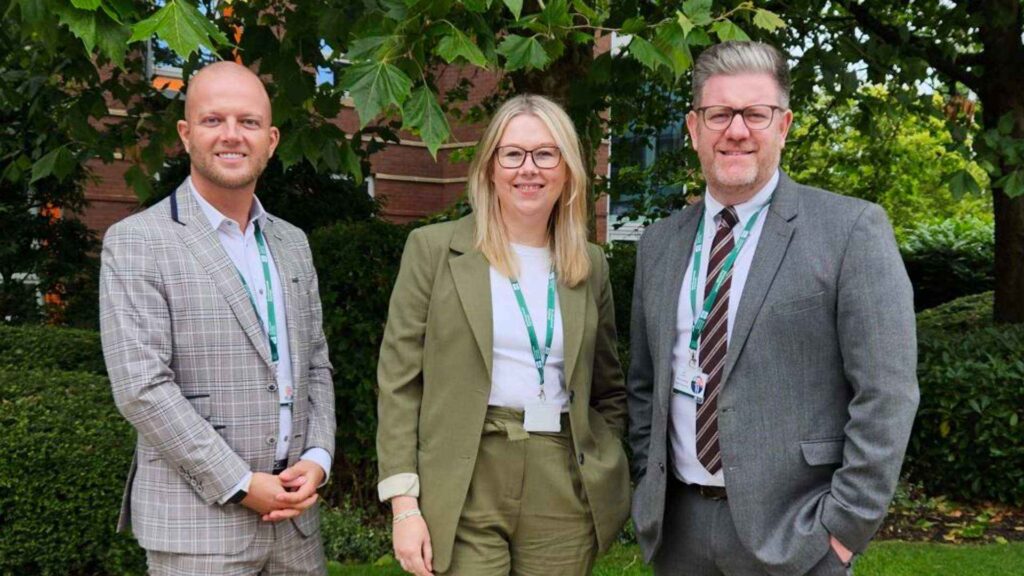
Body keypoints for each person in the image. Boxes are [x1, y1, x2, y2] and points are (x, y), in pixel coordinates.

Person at [627, 41, 919, 576]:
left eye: (755, 114)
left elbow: (887, 393)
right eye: (719, 114)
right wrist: (648, 482)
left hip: (797, 534)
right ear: (693, 128)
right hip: (679, 532)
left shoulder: (850, 231)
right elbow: (645, 384)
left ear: (783, 126)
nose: (736, 130)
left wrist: (843, 529)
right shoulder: (660, 244)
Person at [376, 94, 630, 575]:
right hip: (465, 474)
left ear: (567, 168)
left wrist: (604, 454)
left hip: (561, 478)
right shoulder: (433, 250)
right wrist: (404, 504)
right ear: (490, 167)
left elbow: (607, 385)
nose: (528, 168)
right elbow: (398, 384)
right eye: (512, 154)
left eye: (545, 153)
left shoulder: (589, 265)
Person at [100, 61, 335, 575]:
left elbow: (316, 361)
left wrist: (318, 456)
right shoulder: (137, 242)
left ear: (271, 140)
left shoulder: (292, 243)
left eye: (248, 122)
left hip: (296, 526)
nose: (232, 135)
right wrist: (241, 483)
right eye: (213, 120)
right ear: (186, 134)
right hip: (199, 530)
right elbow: (141, 387)